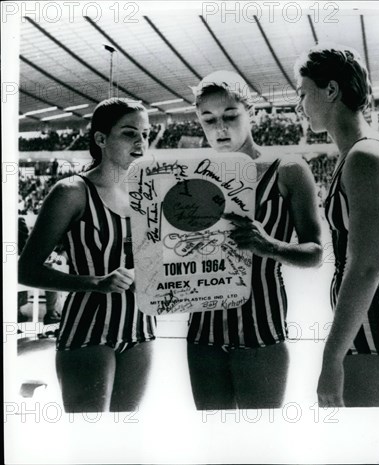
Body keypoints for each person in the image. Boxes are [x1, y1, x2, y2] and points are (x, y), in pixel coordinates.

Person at [187, 70, 322, 410]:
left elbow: (314, 253)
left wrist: (268, 245)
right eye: (209, 119)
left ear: (252, 113)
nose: (220, 127)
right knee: (213, 443)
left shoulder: (288, 169)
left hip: (261, 330)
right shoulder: (190, 175)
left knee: (260, 444)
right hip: (203, 332)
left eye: (230, 116)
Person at [295, 46, 379, 407]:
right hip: (375, 324)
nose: (300, 105)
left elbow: (366, 266)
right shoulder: (368, 151)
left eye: (304, 93)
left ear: (331, 91)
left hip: (373, 329)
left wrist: (331, 358)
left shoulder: (364, 157)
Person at [18, 98, 157, 412]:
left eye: (146, 134)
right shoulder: (71, 192)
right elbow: (25, 271)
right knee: (89, 437)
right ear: (100, 139)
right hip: (88, 330)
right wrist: (95, 282)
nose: (141, 142)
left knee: (125, 436)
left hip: (141, 330)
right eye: (129, 133)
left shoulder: (148, 193)